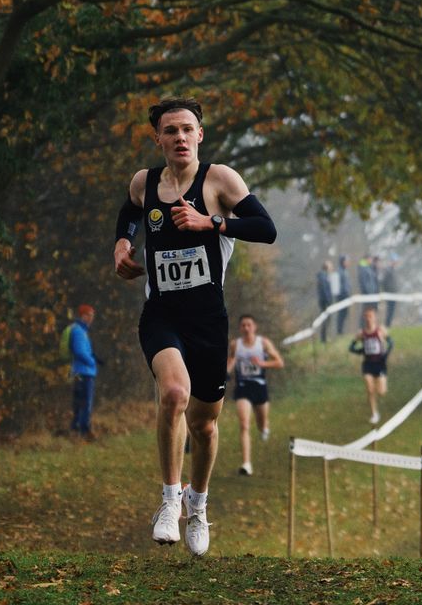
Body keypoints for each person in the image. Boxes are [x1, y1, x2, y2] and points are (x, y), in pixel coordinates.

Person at [111, 96, 278, 554]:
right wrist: (123, 244)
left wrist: (212, 222)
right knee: (173, 394)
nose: (180, 137)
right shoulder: (144, 183)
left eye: (188, 129)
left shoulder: (220, 179)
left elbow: (266, 228)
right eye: (171, 131)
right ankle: (169, 502)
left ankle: (198, 506)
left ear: (199, 135)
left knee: (204, 426)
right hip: (162, 315)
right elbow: (129, 211)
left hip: (208, 320)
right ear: (158, 138)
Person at [225, 314, 283, 476]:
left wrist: (262, 363)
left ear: (254, 327)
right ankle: (246, 464)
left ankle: (264, 427)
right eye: (243, 325)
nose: (246, 328)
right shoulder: (235, 344)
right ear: (240, 328)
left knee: (261, 421)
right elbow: (231, 361)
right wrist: (226, 374)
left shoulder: (263, 343)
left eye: (249, 325)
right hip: (243, 387)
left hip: (260, 386)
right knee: (244, 424)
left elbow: (279, 362)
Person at [349, 306, 392, 424]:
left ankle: (379, 395)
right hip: (367, 364)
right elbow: (351, 347)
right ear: (364, 318)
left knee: (382, 392)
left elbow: (391, 343)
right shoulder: (361, 334)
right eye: (366, 316)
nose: (368, 319)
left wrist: (385, 351)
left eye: (371, 316)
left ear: (375, 317)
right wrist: (361, 351)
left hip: (380, 364)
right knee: (369, 389)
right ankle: (374, 413)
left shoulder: (381, 330)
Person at [66, 304, 98, 439]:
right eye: (89, 316)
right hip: (84, 372)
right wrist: (92, 361)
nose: (91, 319)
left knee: (80, 402)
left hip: (82, 371)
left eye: (92, 316)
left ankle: (76, 430)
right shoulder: (79, 331)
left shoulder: (81, 330)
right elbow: (79, 351)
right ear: (83, 316)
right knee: (85, 403)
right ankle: (84, 431)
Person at [315, 259, 337, 343]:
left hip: (325, 302)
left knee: (327, 320)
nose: (332, 267)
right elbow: (324, 290)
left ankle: (324, 338)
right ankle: (323, 339)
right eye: (330, 265)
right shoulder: (323, 277)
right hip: (325, 303)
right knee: (325, 320)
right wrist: (328, 301)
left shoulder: (325, 276)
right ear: (326, 266)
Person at [381, 254, 402, 327]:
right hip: (389, 293)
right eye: (395, 261)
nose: (396, 263)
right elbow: (384, 282)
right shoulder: (388, 270)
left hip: (394, 293)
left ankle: (388, 324)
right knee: (389, 310)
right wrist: (387, 291)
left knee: (392, 310)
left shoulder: (394, 270)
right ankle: (387, 324)